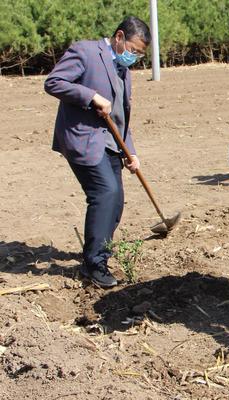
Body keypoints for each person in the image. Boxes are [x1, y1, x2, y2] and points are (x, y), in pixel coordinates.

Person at [44, 17, 150, 287]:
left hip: (112, 143)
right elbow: (54, 82)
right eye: (133, 50)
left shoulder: (123, 70)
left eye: (139, 54)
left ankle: (98, 251)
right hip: (83, 139)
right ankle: (95, 264)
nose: (134, 57)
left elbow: (120, 116)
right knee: (105, 193)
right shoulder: (86, 51)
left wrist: (131, 152)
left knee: (115, 202)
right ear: (119, 37)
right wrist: (90, 96)